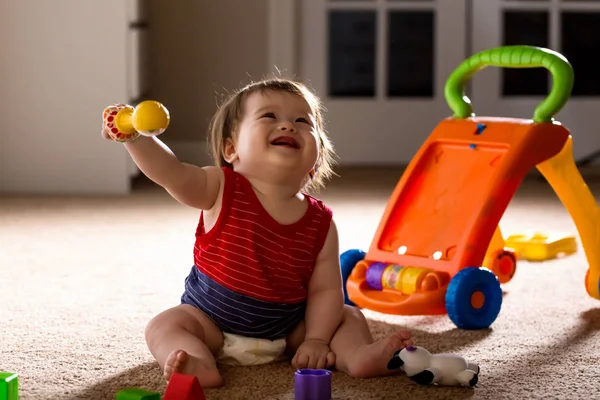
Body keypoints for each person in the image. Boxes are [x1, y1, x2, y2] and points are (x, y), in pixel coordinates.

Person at [101, 77, 413, 388]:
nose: (288, 126)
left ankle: (357, 357)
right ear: (231, 148)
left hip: (287, 330)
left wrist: (316, 339)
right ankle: (196, 362)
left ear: (314, 162)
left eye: (302, 121)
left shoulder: (321, 223)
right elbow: (171, 173)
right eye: (269, 116)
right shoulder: (220, 187)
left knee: (348, 316)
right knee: (164, 325)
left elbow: (325, 291)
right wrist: (133, 137)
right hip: (210, 323)